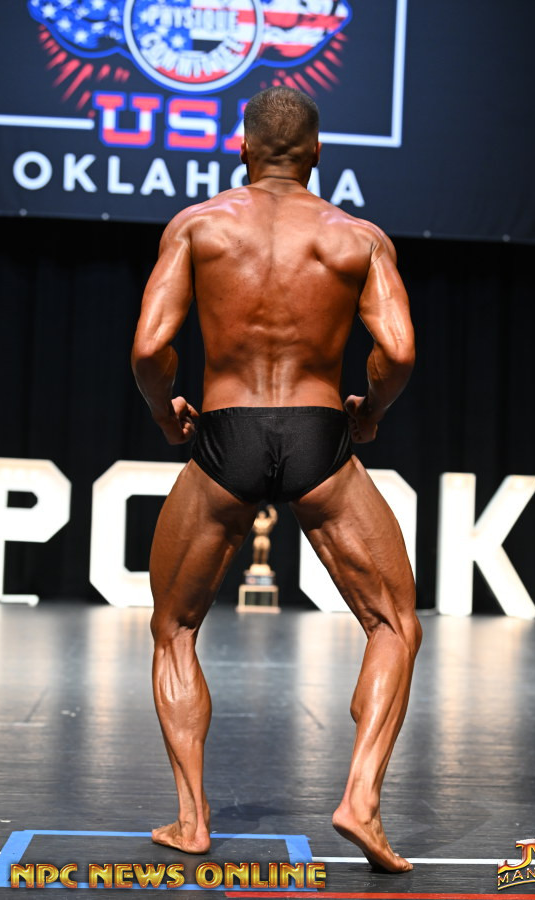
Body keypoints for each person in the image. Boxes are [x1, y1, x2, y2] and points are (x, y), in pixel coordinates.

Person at [131, 86, 421, 873]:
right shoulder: (357, 239)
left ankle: (192, 820)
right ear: (319, 152)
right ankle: (360, 799)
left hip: (225, 434)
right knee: (394, 623)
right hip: (317, 433)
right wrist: (369, 414)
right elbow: (397, 352)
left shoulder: (198, 227)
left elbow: (150, 348)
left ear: (242, 148)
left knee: (175, 628)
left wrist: (166, 413)